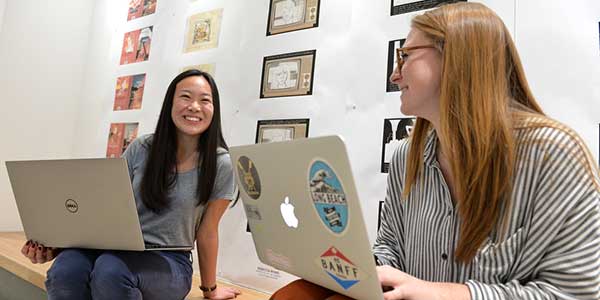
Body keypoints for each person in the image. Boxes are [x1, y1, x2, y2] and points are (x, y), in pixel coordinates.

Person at [271, 2, 600, 300]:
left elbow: (571, 294)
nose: (394, 74)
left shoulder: (554, 155)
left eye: (406, 56)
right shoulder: (405, 156)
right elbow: (391, 249)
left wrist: (441, 292)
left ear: (458, 56)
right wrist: (353, 268)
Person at [21, 69, 242, 300]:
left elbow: (208, 232)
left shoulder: (221, 164)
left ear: (214, 109)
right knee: (66, 271)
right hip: (113, 249)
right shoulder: (142, 148)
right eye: (185, 97)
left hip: (169, 259)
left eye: (205, 100)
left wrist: (210, 290)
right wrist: (53, 247)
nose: (195, 106)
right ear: (170, 104)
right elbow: (106, 210)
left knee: (111, 272)